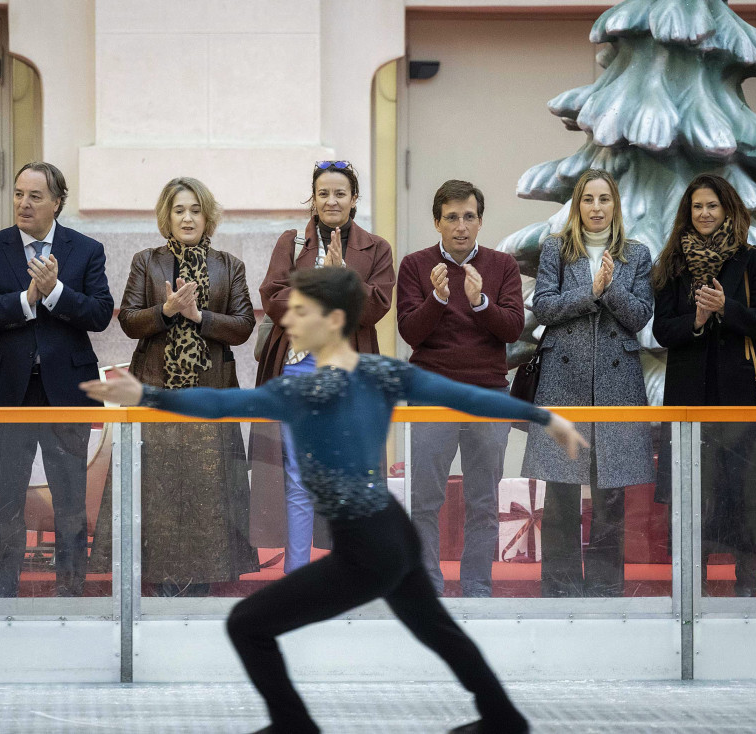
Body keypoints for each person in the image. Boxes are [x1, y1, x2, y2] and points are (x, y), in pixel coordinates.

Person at [82, 267, 585, 734]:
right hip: (392, 531)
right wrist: (545, 418)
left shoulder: (304, 392)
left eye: (301, 312)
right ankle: (504, 720)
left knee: (247, 624)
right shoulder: (381, 374)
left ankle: (294, 726)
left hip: (367, 547)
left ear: (336, 319)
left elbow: (221, 403)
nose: (290, 320)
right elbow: (464, 397)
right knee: (438, 631)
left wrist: (147, 397)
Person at [0, 161, 114, 598]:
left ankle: (70, 590)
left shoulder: (86, 250)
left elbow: (101, 313)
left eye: (35, 197)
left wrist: (57, 292)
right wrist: (26, 299)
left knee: (69, 502)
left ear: (57, 202)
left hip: (65, 392)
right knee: (7, 501)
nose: (23, 205)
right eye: (18, 195)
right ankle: (1, 592)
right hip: (6, 392)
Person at [117, 177, 259, 596]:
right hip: (158, 391)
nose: (187, 217)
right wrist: (165, 310)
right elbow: (127, 320)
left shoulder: (229, 265)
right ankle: (159, 587)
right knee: (158, 491)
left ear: (207, 215)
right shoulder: (147, 261)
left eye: (195, 209)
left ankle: (201, 586)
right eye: (179, 210)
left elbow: (244, 327)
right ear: (167, 215)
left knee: (207, 493)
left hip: (209, 394)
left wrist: (199, 317)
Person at [254, 160, 395, 573]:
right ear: (312, 200)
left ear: (354, 199)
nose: (331, 201)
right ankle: (297, 574)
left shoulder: (377, 248)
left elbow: (377, 307)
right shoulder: (293, 242)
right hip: (297, 373)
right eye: (323, 193)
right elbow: (272, 296)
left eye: (340, 193)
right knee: (298, 482)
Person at [521, 169, 654, 598]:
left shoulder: (637, 253)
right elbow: (543, 307)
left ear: (615, 205)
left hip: (617, 384)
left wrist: (609, 289)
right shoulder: (556, 250)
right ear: (577, 206)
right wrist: (590, 293)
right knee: (560, 491)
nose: (596, 208)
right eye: (588, 200)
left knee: (610, 494)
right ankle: (559, 587)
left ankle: (605, 587)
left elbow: (638, 316)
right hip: (564, 379)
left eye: (604, 200)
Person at [651, 173, 756, 597]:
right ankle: (695, 586)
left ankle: (747, 582)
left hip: (740, 398)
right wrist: (698, 320)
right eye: (696, 207)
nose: (704, 214)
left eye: (712, 205)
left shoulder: (754, 259)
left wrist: (728, 309)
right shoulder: (672, 263)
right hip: (689, 397)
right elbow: (663, 332)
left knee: (745, 490)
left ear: (727, 209)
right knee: (693, 493)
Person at [396, 179, 524, 597]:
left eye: (469, 216)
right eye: (451, 217)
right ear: (437, 222)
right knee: (425, 500)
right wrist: (436, 297)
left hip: (487, 394)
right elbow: (411, 332)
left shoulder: (502, 265)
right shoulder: (415, 265)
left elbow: (513, 328)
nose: (461, 226)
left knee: (483, 501)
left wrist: (481, 302)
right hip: (431, 394)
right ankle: (429, 589)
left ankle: (477, 590)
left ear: (480, 221)